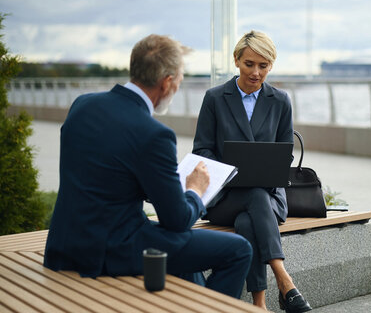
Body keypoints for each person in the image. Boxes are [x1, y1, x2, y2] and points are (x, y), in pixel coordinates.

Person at [43, 34, 252, 299]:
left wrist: (156, 179)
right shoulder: (154, 134)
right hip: (109, 250)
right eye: (179, 80)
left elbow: (103, 173)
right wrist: (195, 190)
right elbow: (177, 221)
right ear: (166, 83)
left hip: (64, 243)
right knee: (238, 250)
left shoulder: (82, 105)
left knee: (185, 258)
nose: (177, 87)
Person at [193, 30, 312, 312]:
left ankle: (259, 304)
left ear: (271, 65)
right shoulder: (215, 98)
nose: (256, 73)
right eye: (249, 64)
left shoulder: (280, 100)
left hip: (269, 196)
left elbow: (284, 153)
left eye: (263, 66)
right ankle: (285, 280)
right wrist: (232, 170)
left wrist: (262, 169)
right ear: (236, 61)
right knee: (253, 195)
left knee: (251, 213)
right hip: (225, 198)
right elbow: (201, 150)